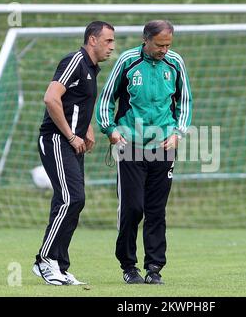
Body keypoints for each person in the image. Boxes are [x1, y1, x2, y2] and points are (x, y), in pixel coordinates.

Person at [96, 20, 193, 284]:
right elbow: (107, 98)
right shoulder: (127, 61)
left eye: (168, 45)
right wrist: (110, 130)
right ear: (146, 40)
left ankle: (154, 268)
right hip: (130, 145)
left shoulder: (175, 63)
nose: (164, 50)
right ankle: (128, 266)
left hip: (163, 146)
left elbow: (184, 101)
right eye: (160, 45)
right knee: (132, 208)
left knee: (156, 210)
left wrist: (177, 133)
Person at [32, 21, 115, 285]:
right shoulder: (74, 60)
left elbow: (75, 102)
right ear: (92, 40)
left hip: (72, 143)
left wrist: (87, 128)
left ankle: (59, 265)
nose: (112, 46)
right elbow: (51, 98)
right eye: (108, 41)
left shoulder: (92, 68)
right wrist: (70, 134)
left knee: (72, 201)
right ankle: (44, 261)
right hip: (57, 140)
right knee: (71, 198)